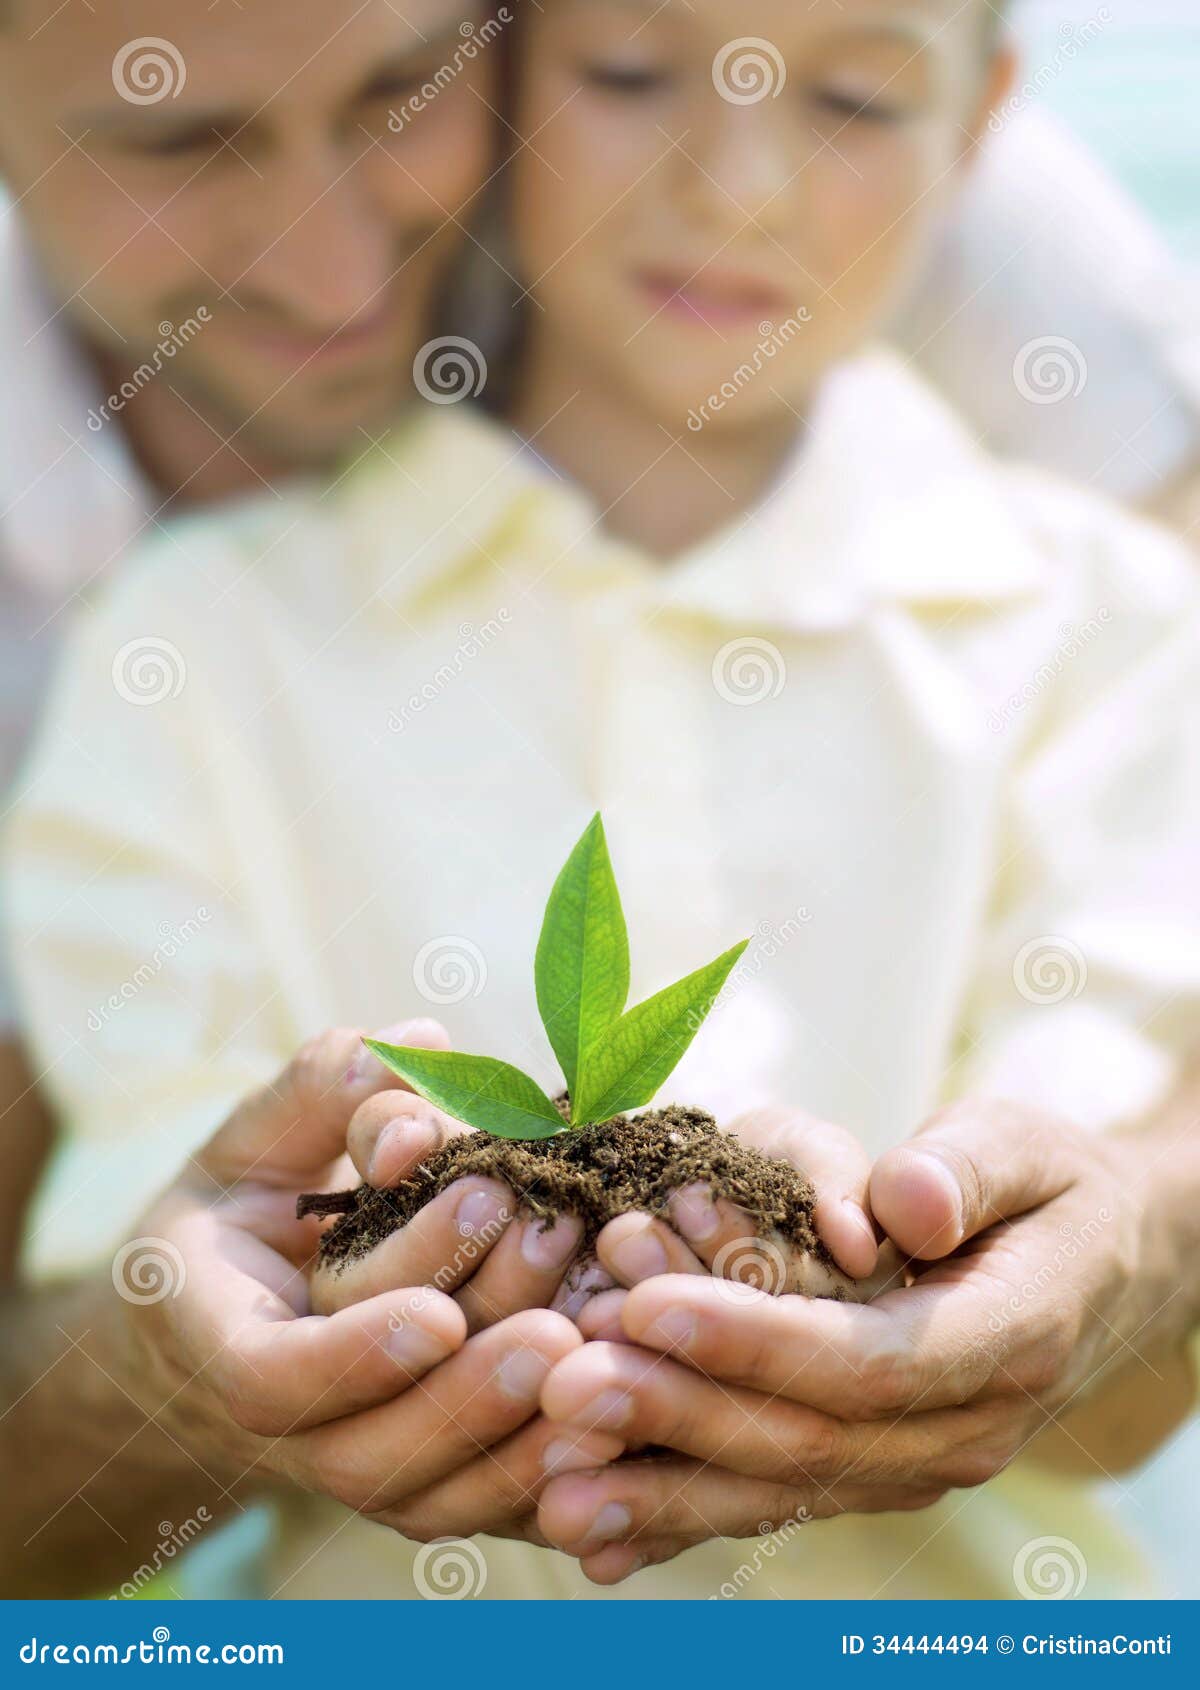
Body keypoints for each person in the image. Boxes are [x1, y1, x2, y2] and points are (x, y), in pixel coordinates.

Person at [6, 0, 1200, 1603]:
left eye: (854, 101)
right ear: (501, 72)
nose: (741, 187)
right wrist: (180, 1348)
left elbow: (1116, 1340)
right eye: (629, 72)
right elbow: (96, 1367)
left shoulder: (1111, 618)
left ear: (978, 130)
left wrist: (1106, 1266)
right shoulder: (192, 644)